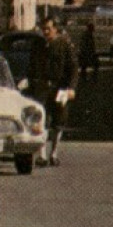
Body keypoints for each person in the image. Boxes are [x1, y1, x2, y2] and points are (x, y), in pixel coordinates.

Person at [33, 16, 79, 165]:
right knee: (41, 120)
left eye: (48, 29)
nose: (45, 31)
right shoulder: (39, 45)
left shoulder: (64, 45)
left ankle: (54, 153)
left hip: (60, 89)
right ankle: (42, 155)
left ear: (55, 29)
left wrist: (71, 88)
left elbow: (73, 68)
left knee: (59, 121)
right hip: (43, 88)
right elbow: (32, 66)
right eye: (43, 28)